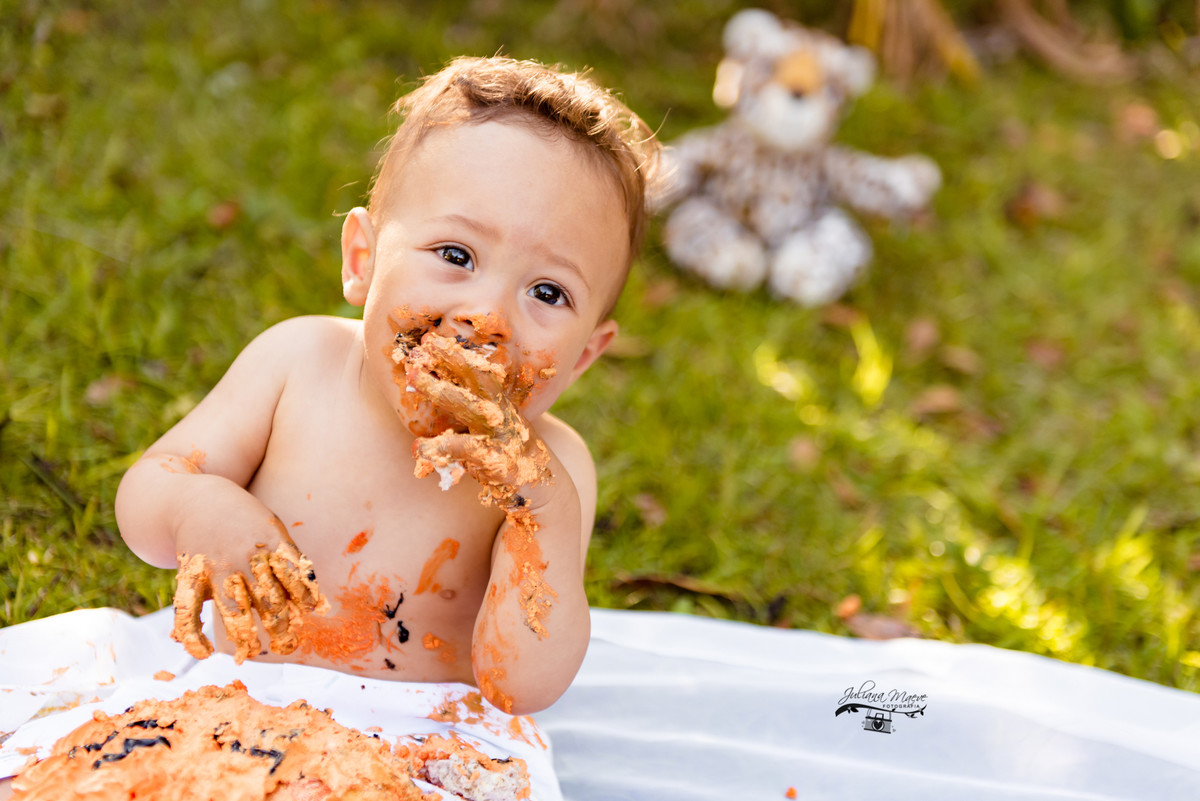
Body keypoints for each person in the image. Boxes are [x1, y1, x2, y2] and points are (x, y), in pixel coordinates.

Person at [111, 55, 661, 717]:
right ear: (362, 261)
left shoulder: (554, 472)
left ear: (582, 357)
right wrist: (197, 509)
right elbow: (148, 493)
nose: (485, 318)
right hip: (232, 702)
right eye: (456, 255)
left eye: (548, 291)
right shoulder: (297, 363)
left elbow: (522, 687)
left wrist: (543, 511)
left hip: (426, 742)